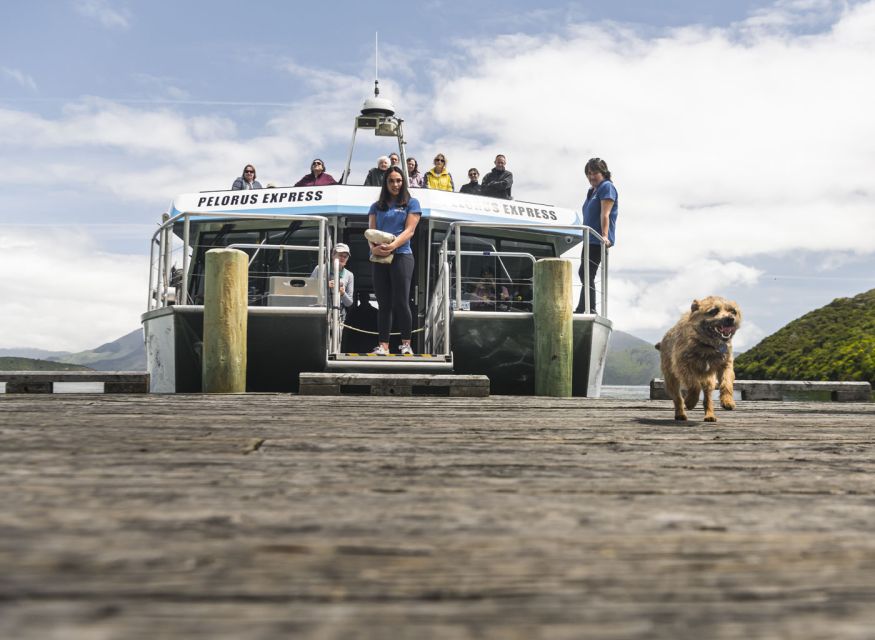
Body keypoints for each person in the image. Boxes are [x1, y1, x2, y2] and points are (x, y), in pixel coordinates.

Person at [367, 165, 422, 355]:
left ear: (403, 182)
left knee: (401, 301)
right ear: (386, 183)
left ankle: (406, 344)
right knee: (384, 304)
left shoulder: (412, 203)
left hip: (402, 256)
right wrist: (375, 248)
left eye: (398, 180)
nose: (395, 184)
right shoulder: (376, 206)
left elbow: (410, 231)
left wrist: (392, 246)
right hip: (379, 257)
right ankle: (383, 346)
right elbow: (371, 232)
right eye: (391, 181)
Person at [575, 157, 618, 314]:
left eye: (595, 173)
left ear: (603, 173)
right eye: (589, 174)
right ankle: (583, 307)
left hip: (597, 239)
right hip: (588, 238)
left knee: (587, 272)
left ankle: (589, 308)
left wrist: (604, 236)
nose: (591, 177)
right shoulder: (592, 191)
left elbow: (605, 214)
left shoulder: (607, 187)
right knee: (584, 272)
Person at [311, 243, 354, 342]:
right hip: (320, 312)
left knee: (335, 341)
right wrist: (325, 286)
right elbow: (310, 291)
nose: (343, 258)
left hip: (338, 316)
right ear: (333, 255)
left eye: (345, 256)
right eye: (340, 255)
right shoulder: (320, 269)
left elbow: (349, 303)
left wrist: (342, 293)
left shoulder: (349, 275)